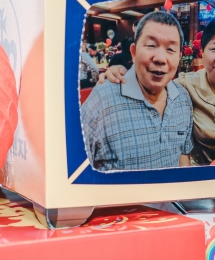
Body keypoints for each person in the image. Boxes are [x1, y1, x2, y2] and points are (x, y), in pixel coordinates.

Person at [101, 16, 215, 166]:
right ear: (202, 52)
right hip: (197, 174)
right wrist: (120, 73)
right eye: (214, 48)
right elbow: (150, 84)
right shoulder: (185, 84)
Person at [81, 12, 194, 171]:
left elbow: (183, 155)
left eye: (170, 49)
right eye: (151, 45)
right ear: (133, 52)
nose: (160, 58)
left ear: (179, 57)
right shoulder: (102, 100)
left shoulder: (182, 98)